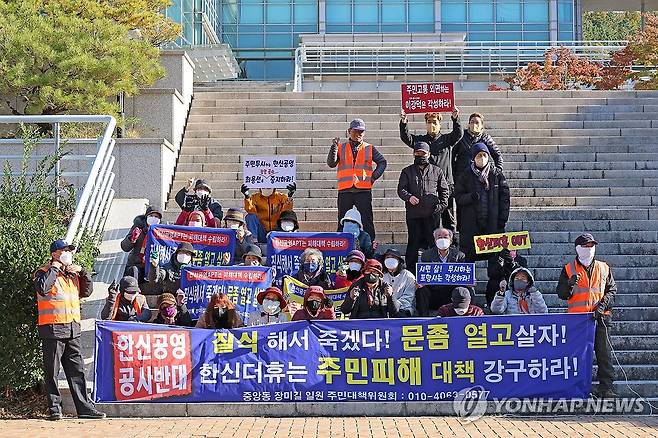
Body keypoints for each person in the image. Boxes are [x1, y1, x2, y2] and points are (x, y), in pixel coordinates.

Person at [33, 239, 105, 420]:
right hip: (53, 328)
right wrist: (55, 268)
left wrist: (83, 271)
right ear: (54, 254)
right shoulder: (43, 272)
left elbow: (87, 291)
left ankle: (84, 408)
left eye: (69, 250)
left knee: (77, 371)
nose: (68, 253)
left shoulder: (72, 274)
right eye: (64, 250)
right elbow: (43, 288)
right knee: (52, 371)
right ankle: (55, 409)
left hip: (73, 328)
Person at [556, 233, 617, 398]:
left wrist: (601, 306)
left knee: (604, 354)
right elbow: (561, 294)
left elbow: (612, 290)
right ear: (577, 248)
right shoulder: (568, 269)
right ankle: (580, 388)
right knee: (579, 355)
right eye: (585, 246)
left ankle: (606, 387)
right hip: (578, 320)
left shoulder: (604, 267)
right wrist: (569, 285)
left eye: (591, 246)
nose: (589, 249)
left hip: (601, 317)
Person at [400, 108, 463, 232]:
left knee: (448, 219)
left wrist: (455, 119)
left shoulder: (447, 140)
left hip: (446, 186)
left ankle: (452, 245)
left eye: (434, 122)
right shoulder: (422, 141)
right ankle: (429, 247)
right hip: (427, 188)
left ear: (440, 124)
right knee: (428, 221)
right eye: (429, 122)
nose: (432, 125)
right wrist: (403, 122)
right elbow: (407, 138)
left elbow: (458, 134)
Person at [327, 118, 387, 241]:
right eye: (356, 131)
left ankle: (370, 245)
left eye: (361, 132)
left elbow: (382, 162)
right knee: (342, 220)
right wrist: (334, 148)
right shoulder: (341, 147)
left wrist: (374, 176)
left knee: (367, 220)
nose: (359, 134)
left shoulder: (369, 148)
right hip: (345, 190)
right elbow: (331, 163)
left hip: (363, 189)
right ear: (349, 131)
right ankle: (341, 244)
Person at [397, 141, 450, 272]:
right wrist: (409, 197)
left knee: (433, 244)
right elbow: (401, 189)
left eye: (423, 153)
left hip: (432, 215)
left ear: (429, 154)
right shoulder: (406, 171)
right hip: (413, 215)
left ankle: (434, 270)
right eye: (418, 153)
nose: (420, 155)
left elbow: (444, 191)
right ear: (414, 154)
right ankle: (410, 272)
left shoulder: (437, 171)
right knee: (413, 244)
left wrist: (441, 206)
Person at [454, 143, 510, 262]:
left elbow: (505, 199)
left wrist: (502, 220)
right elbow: (458, 197)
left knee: (495, 258)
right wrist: (470, 197)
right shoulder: (465, 175)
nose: (482, 158)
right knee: (469, 255)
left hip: (493, 223)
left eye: (484, 155)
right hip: (470, 224)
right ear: (474, 158)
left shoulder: (497, 174)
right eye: (479, 155)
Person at [415, 228, 469, 316]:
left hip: (452, 293)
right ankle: (423, 318)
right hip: (434, 293)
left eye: (445, 237)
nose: (442, 239)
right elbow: (424, 274)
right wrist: (421, 282)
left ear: (451, 241)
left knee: (467, 289)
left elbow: (463, 277)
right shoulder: (426, 255)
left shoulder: (459, 256)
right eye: (439, 237)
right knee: (421, 290)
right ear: (435, 240)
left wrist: (468, 281)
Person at [120, 205, 162, 281]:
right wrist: (132, 239)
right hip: (136, 264)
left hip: (152, 265)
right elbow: (125, 247)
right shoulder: (138, 228)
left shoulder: (162, 231)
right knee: (134, 272)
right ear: (146, 217)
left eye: (156, 217)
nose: (153, 218)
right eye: (151, 215)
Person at [382, 249, 416, 317]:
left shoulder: (408, 276)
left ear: (399, 261)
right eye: (387, 258)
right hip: (385, 307)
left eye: (393, 258)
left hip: (404, 308)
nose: (390, 260)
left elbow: (409, 297)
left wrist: (395, 304)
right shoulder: (382, 275)